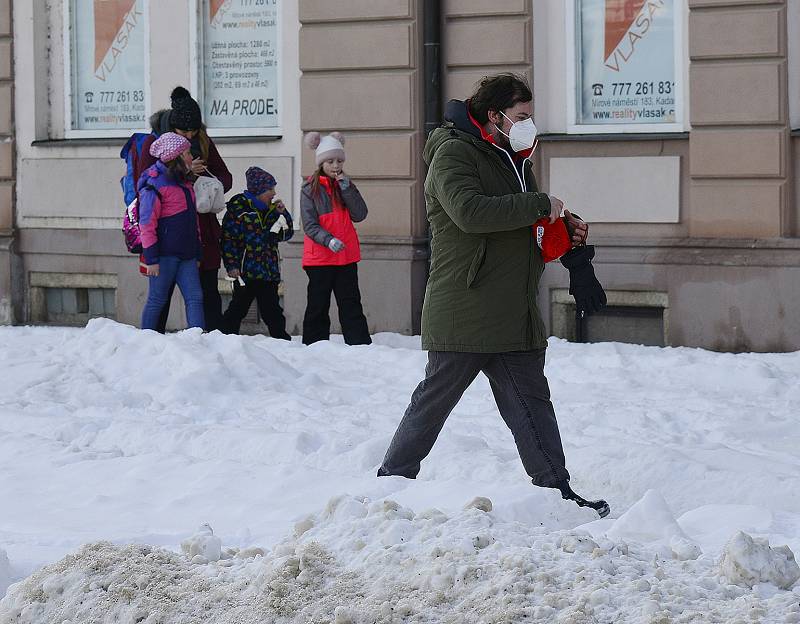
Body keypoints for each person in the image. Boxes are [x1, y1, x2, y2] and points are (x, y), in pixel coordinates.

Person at [377, 74, 611, 517]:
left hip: (511, 307)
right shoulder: (452, 153)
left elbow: (524, 217)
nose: (529, 124)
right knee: (434, 400)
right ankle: (390, 483)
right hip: (466, 304)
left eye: (530, 116)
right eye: (521, 116)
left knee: (533, 405)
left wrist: (564, 225)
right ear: (494, 115)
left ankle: (557, 493)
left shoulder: (514, 157)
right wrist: (541, 204)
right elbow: (470, 212)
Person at [136, 86, 233, 332]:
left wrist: (208, 183)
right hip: (166, 237)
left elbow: (225, 177)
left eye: (194, 130)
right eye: (183, 131)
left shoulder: (203, 141)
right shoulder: (154, 144)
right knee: (160, 297)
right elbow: (147, 187)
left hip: (200, 234)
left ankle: (208, 341)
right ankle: (149, 343)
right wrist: (187, 175)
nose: (190, 136)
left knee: (203, 295)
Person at [300, 132, 371, 346]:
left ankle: (359, 344)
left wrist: (347, 188)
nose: (336, 165)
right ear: (321, 163)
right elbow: (310, 225)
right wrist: (328, 240)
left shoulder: (346, 186)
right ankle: (314, 345)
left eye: (339, 161)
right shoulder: (309, 190)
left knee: (351, 303)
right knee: (318, 305)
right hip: (321, 258)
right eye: (330, 161)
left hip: (346, 257)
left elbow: (360, 214)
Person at [139, 133, 204, 331]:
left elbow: (193, 220)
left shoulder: (184, 181)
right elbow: (147, 223)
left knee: (196, 298)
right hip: (163, 256)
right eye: (186, 153)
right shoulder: (155, 183)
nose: (191, 157)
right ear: (175, 157)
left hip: (187, 255)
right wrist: (151, 259)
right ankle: (144, 341)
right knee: (157, 300)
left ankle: (199, 340)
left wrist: (198, 250)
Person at [220, 167, 294, 338]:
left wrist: (284, 214)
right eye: (270, 189)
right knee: (238, 308)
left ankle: (282, 343)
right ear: (259, 190)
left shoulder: (273, 211)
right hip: (246, 272)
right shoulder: (239, 209)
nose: (274, 193)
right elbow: (228, 240)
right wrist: (232, 265)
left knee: (273, 311)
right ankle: (225, 339)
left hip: (268, 272)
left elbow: (285, 234)